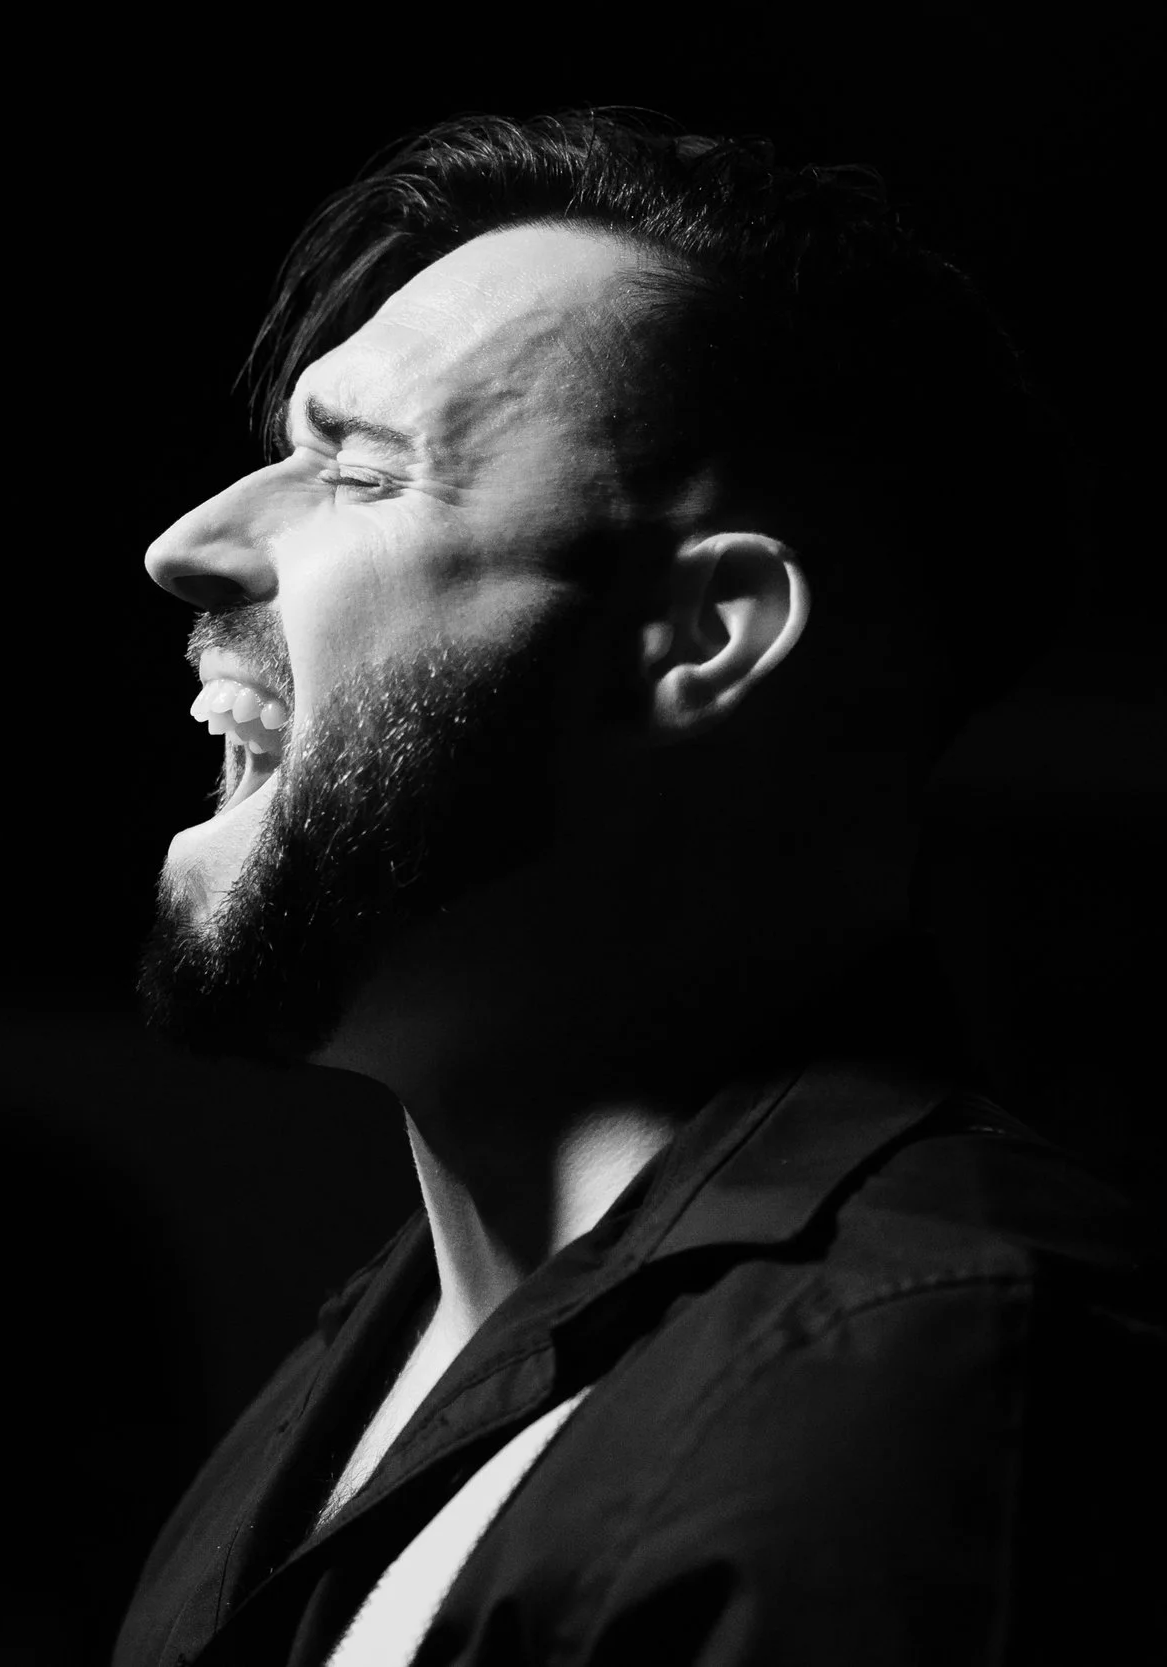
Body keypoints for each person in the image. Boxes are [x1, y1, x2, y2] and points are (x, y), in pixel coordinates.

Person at [121, 109, 1159, 1666]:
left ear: (706, 634)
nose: (187, 546)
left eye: (359, 471)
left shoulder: (920, 1375)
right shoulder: (346, 1386)